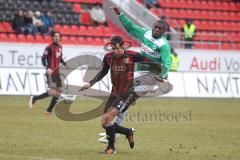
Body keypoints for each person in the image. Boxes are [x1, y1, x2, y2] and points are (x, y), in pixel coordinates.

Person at [80, 36, 148, 154]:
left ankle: (111, 148)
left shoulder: (132, 55)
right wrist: (90, 83)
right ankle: (128, 132)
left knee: (108, 118)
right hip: (114, 92)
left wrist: (160, 74)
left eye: (117, 48)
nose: (115, 51)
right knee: (104, 123)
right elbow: (103, 71)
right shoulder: (108, 57)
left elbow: (149, 62)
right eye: (113, 48)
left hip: (127, 93)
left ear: (123, 46)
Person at [111, 6, 171, 82]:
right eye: (155, 27)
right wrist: (120, 15)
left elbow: (167, 62)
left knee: (132, 88)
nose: (156, 29)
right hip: (140, 67)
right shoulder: (146, 33)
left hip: (152, 71)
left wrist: (162, 75)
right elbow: (131, 27)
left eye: (160, 28)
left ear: (164, 31)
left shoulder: (164, 45)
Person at [29, 32, 67, 115]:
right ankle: (34, 98)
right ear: (52, 38)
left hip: (57, 73)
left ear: (60, 38)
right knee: (53, 92)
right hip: (51, 72)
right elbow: (43, 58)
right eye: (55, 36)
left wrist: (65, 63)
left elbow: (60, 58)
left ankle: (48, 111)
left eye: (58, 36)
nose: (57, 38)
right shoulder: (49, 47)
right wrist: (47, 67)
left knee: (59, 91)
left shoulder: (60, 47)